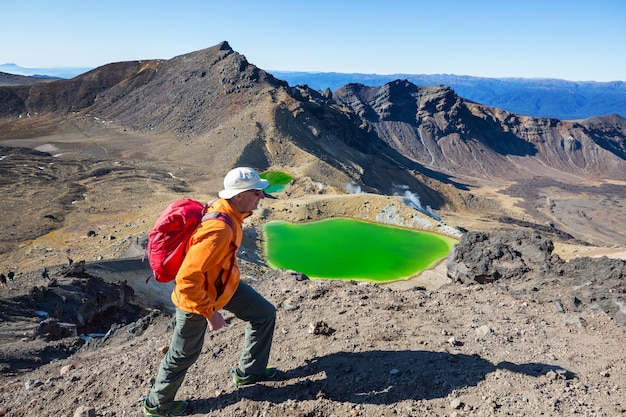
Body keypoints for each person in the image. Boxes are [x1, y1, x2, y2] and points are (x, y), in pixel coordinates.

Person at [142, 167, 277, 417]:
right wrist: (210, 313)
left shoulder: (230, 210)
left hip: (223, 286)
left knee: (264, 314)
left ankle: (251, 371)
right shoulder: (219, 230)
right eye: (256, 192)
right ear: (238, 196)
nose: (262, 197)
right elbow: (187, 278)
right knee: (183, 354)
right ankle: (158, 406)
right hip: (196, 300)